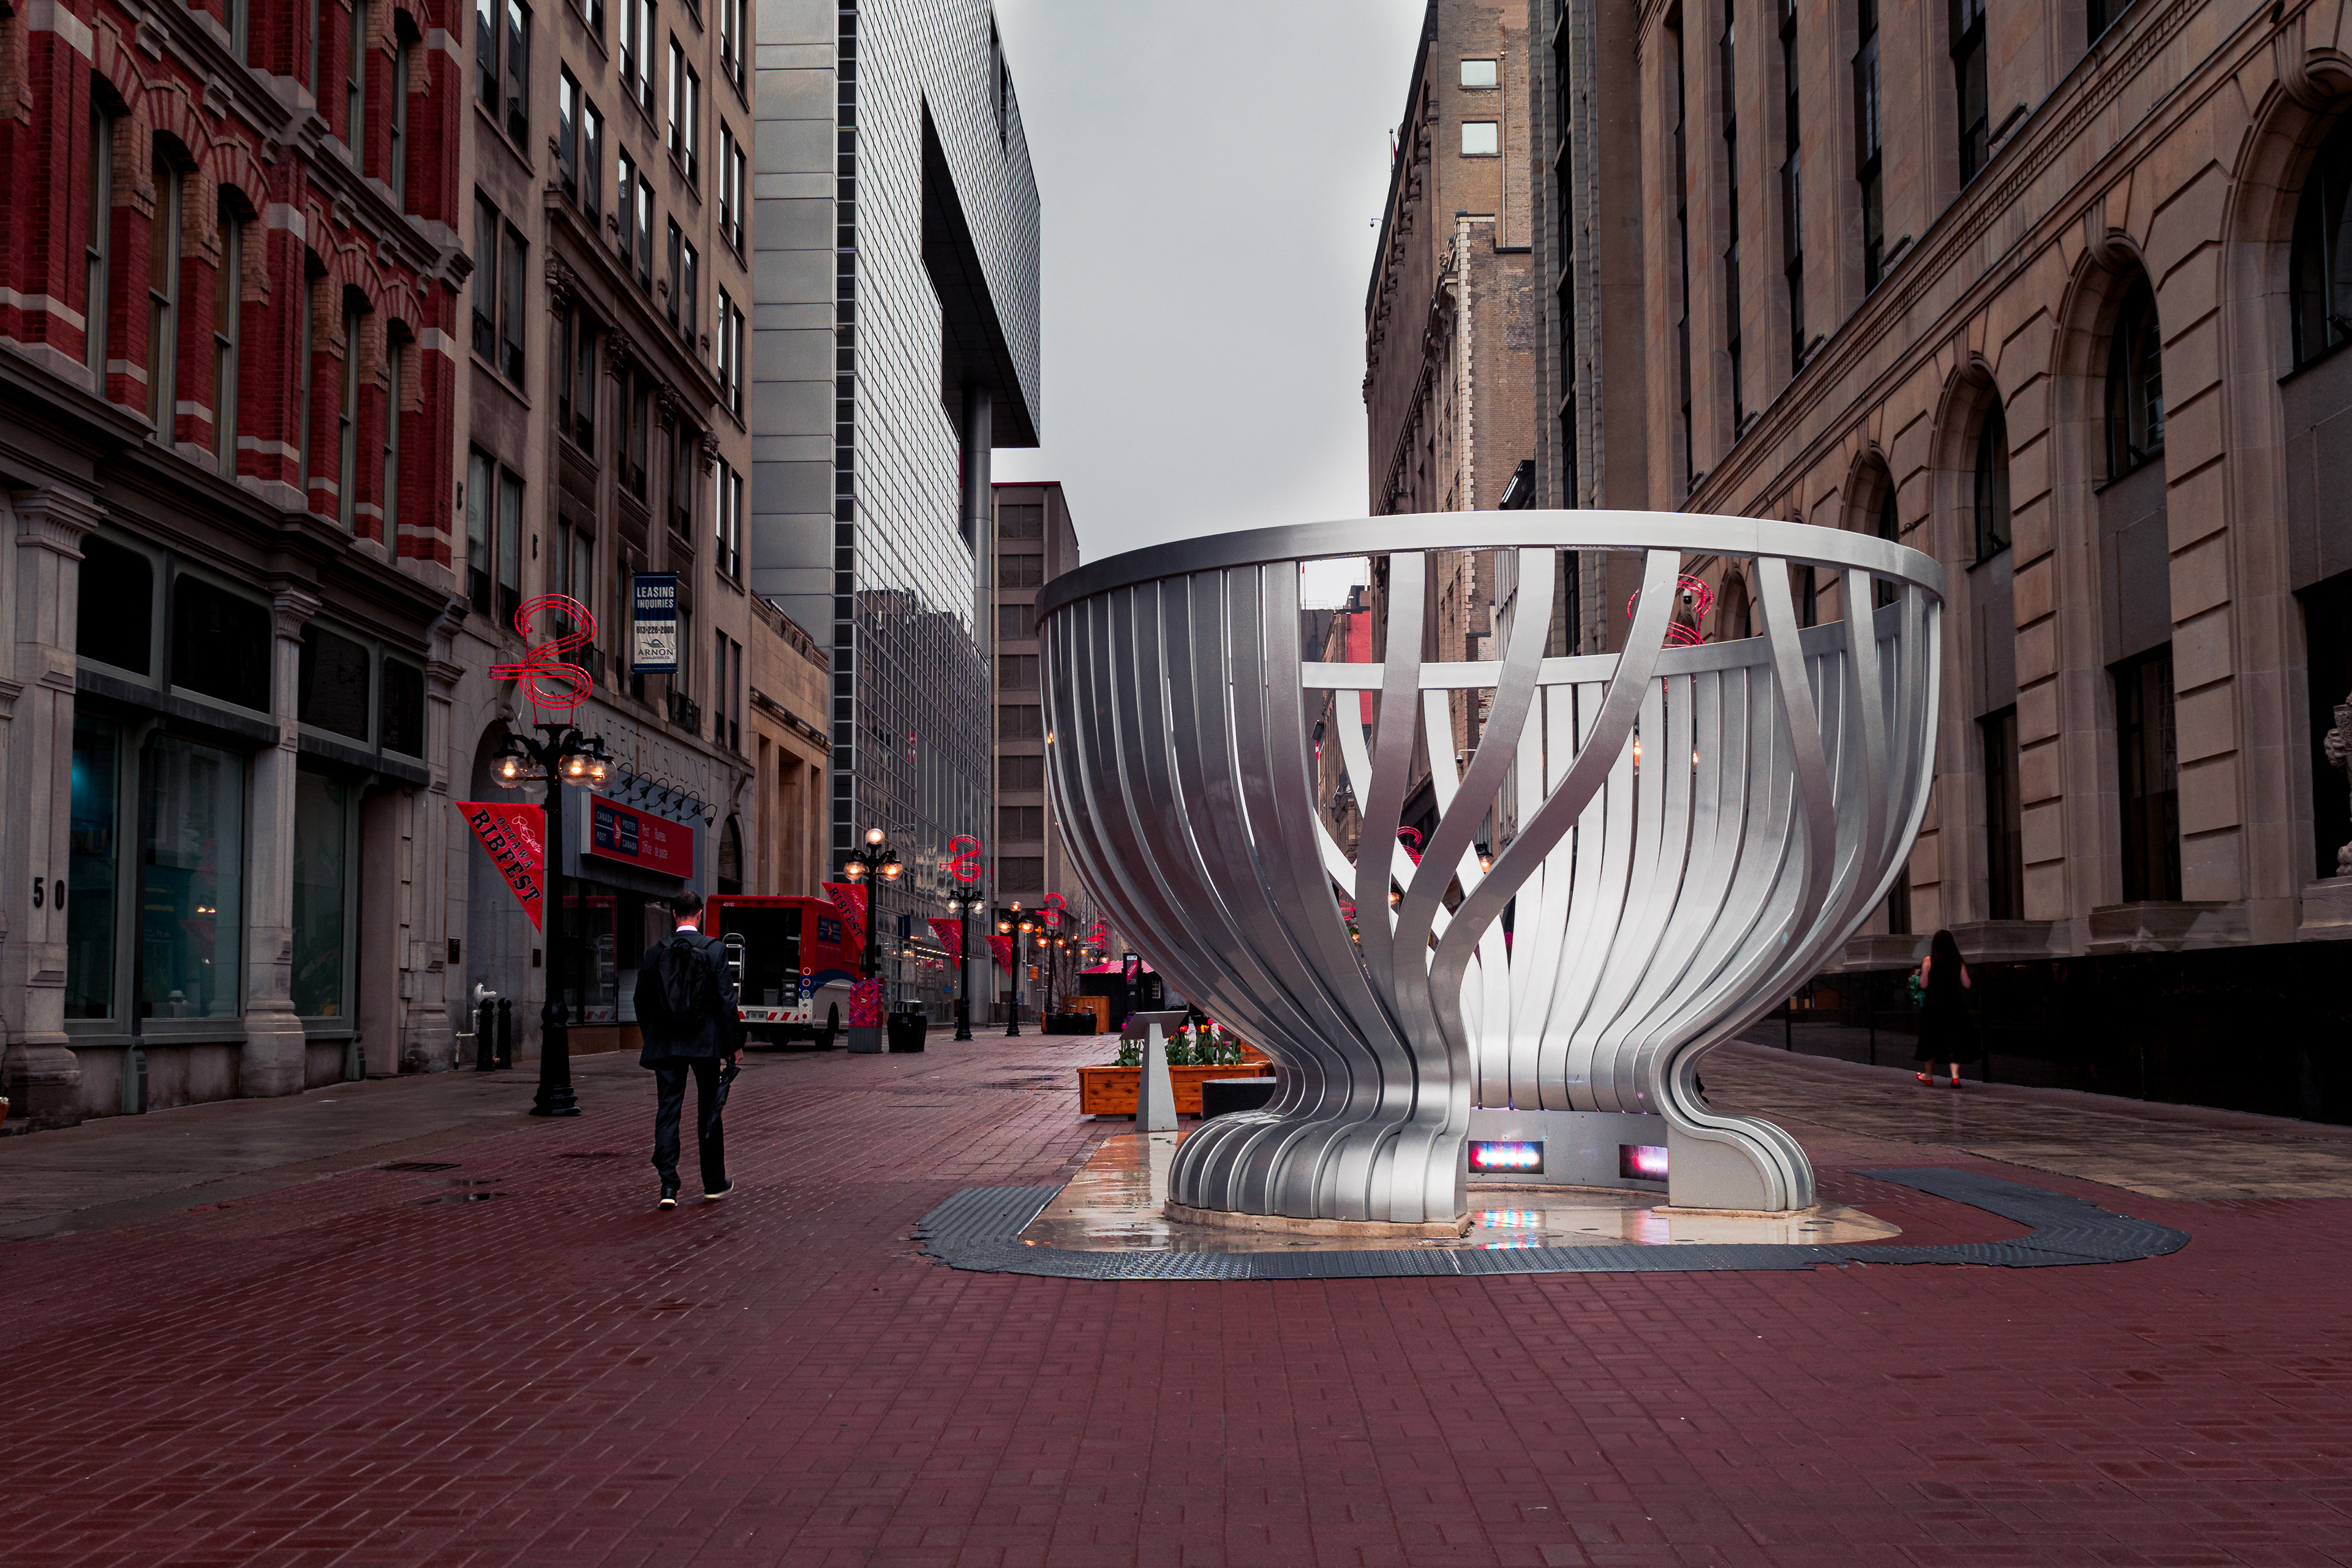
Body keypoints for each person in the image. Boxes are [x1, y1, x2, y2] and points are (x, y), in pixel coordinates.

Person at [634, 891, 741, 1207]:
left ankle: (668, 1186)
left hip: (665, 1042)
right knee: (709, 1109)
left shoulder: (655, 953)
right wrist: (733, 1045)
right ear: (699, 914)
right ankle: (713, 1182)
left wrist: (650, 1035)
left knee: (668, 1110)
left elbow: (641, 999)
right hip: (705, 1043)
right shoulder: (715, 950)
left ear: (673, 915)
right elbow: (725, 1001)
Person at [1912, 927, 1979, 1087]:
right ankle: (1955, 1076)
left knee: (1930, 1038)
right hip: (1954, 1002)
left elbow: (1923, 984)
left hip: (1933, 1003)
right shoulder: (1958, 961)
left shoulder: (1929, 961)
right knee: (1955, 1037)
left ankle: (1928, 1076)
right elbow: (1967, 984)